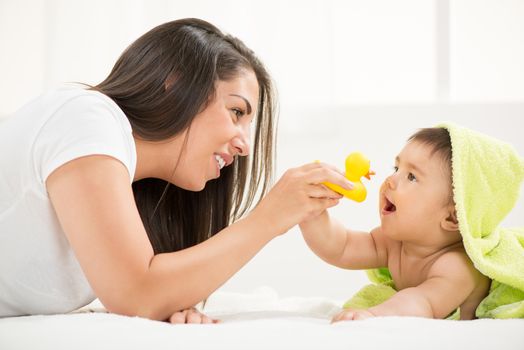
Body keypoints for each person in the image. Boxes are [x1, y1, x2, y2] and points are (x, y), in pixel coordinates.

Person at [0, 18, 352, 323]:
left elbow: (142, 293)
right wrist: (269, 217)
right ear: (177, 82)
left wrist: (168, 302)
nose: (245, 145)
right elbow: (136, 293)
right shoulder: (86, 117)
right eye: (236, 112)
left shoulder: (129, 187)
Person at [300, 127, 492, 321]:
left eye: (412, 177)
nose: (390, 180)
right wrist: (311, 213)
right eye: (396, 169)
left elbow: (421, 302)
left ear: (453, 218)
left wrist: (373, 314)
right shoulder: (395, 243)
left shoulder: (458, 265)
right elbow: (342, 247)